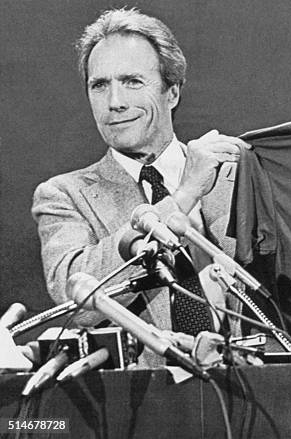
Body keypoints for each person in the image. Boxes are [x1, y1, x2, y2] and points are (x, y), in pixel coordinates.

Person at [31, 8, 248, 364]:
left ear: (172, 92)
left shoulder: (235, 174)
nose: (114, 102)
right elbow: (80, 302)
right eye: (99, 85)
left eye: (132, 81)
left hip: (257, 392)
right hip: (148, 402)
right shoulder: (63, 195)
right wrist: (182, 196)